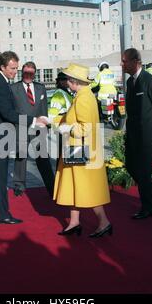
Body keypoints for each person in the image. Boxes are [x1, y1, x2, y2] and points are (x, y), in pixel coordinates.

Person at [0, 51, 47, 224]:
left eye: (16, 68)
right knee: (0, 177)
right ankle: (2, 215)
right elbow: (8, 113)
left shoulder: (0, 81)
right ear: (2, 66)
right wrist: (34, 120)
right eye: (12, 68)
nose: (15, 72)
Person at [53, 63, 111, 237]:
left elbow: (85, 128)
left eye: (67, 80)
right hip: (80, 149)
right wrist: (54, 120)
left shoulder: (83, 98)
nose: (66, 82)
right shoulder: (83, 95)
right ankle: (74, 222)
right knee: (75, 187)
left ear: (73, 81)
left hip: (81, 150)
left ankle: (104, 222)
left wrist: (67, 129)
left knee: (86, 189)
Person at [121, 48, 152, 220]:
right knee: (131, 166)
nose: (122, 64)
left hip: (147, 136)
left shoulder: (149, 81)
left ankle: (147, 207)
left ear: (135, 61)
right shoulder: (130, 82)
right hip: (133, 134)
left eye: (124, 61)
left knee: (143, 172)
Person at [11, 62, 55, 198]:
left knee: (43, 158)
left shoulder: (41, 88)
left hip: (38, 128)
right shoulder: (13, 88)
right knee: (21, 157)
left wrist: (46, 126)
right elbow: (11, 111)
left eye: (31, 73)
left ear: (34, 74)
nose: (28, 76)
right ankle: (19, 186)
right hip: (21, 127)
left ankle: (51, 186)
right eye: (25, 73)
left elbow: (43, 109)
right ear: (22, 73)